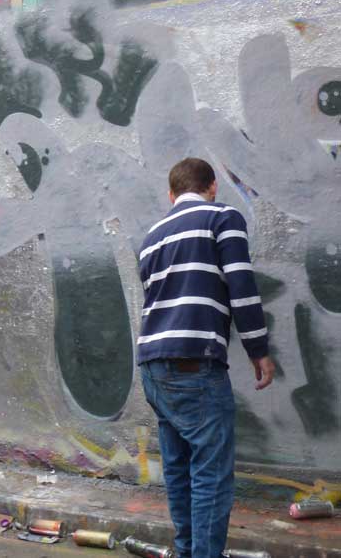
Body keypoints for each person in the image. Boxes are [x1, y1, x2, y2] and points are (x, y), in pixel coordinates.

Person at [136, 157, 275, 558]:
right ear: (212, 186)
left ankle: (187, 552)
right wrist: (258, 350)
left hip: (153, 365)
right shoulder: (221, 217)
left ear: (172, 194)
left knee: (179, 471)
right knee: (210, 476)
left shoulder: (152, 236)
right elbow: (242, 286)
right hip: (195, 363)